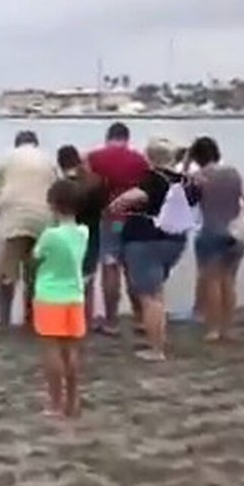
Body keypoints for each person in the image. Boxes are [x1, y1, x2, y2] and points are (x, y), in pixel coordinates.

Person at [109, 138, 201, 361]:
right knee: (156, 291)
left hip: (146, 241)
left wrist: (116, 205)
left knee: (149, 296)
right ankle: (157, 336)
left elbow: (134, 196)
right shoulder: (184, 181)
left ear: (150, 157)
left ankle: (156, 348)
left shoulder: (153, 179)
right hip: (175, 241)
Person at [0, 130, 58, 332]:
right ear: (36, 143)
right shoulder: (48, 160)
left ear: (17, 144)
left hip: (13, 218)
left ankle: (4, 322)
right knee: (35, 271)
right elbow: (58, 191)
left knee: (6, 272)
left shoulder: (7, 158)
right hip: (44, 217)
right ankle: (32, 319)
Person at [32, 179, 90, 418]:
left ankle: (56, 402)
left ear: (53, 205)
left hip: (49, 295)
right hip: (75, 296)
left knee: (51, 350)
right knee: (71, 351)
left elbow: (36, 256)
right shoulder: (83, 232)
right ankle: (73, 400)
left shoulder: (50, 235)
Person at [86, 122, 150, 335]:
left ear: (108, 137)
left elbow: (85, 186)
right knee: (132, 267)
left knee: (110, 266)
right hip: (134, 217)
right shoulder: (140, 160)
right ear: (127, 138)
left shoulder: (94, 158)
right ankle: (140, 317)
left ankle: (112, 321)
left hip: (109, 217)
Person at [190, 136, 244, 342]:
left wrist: (186, 165)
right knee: (229, 281)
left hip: (210, 231)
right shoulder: (233, 173)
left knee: (212, 282)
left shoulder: (198, 177)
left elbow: (187, 202)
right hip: (234, 232)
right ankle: (228, 327)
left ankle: (213, 328)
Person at [56, 144, 105, 329]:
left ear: (60, 163)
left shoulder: (61, 186)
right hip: (92, 233)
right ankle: (86, 319)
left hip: (67, 235)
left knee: (67, 278)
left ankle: (68, 318)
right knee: (88, 279)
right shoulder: (95, 181)